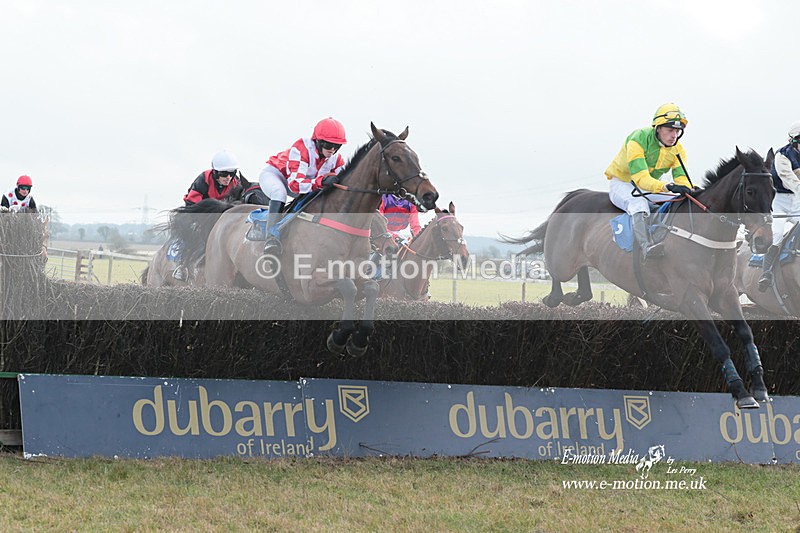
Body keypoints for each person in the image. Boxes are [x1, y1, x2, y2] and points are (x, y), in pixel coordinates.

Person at [605, 103, 693, 261]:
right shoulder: (638, 138)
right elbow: (640, 178)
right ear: (658, 128)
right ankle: (646, 247)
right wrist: (666, 186)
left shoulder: (677, 149)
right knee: (639, 204)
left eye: (677, 131)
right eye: (670, 130)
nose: (674, 135)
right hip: (622, 183)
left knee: (678, 200)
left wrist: (687, 189)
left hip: (648, 187)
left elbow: (682, 177)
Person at [258, 117, 347, 255]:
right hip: (276, 176)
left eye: (337, 146)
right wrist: (321, 182)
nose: (332, 150)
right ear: (318, 141)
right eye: (329, 145)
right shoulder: (302, 148)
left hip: (302, 183)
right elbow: (295, 185)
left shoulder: (337, 159)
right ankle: (271, 238)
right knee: (279, 193)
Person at [173, 150, 241, 280]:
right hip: (198, 212)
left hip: (220, 215)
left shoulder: (236, 183)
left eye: (232, 173)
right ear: (215, 173)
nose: (228, 177)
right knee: (191, 230)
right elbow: (193, 202)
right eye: (224, 174)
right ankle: (182, 265)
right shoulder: (203, 180)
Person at [758, 121, 800, 291]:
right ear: (794, 142)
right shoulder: (782, 156)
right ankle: (766, 272)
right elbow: (790, 180)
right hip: (779, 201)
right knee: (776, 234)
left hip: (796, 200)